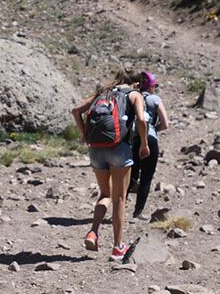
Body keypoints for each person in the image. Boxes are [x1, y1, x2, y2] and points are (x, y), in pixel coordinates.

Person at [72, 70, 149, 261]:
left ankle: (93, 232)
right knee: (119, 199)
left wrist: (84, 134)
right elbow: (141, 119)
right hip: (119, 149)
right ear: (136, 84)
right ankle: (117, 247)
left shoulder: (103, 93)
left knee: (105, 194)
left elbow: (76, 110)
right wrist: (145, 144)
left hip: (96, 149)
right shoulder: (134, 94)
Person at [128, 71, 169, 218]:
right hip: (150, 138)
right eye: (154, 85)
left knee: (131, 174)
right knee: (146, 176)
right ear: (151, 86)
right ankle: (138, 211)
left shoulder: (132, 97)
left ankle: (119, 207)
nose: (155, 88)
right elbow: (165, 124)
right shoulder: (155, 99)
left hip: (134, 139)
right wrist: (153, 130)